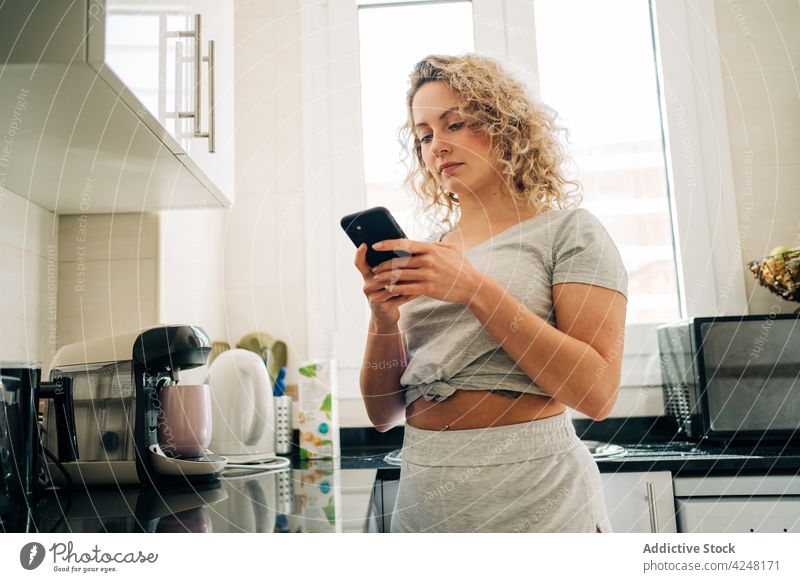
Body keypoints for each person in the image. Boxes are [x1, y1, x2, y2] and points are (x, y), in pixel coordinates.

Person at [352, 54, 628, 533]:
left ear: (507, 127)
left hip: (538, 494)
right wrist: (382, 320)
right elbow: (381, 413)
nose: (437, 146)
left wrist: (476, 289)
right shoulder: (430, 254)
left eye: (454, 124)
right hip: (426, 493)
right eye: (424, 136)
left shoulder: (569, 232)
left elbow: (597, 393)